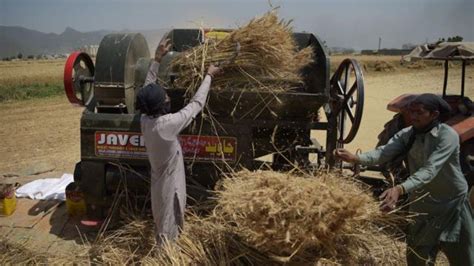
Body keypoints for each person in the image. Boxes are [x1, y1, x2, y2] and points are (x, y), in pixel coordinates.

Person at [335, 93, 474, 265]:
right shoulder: (408, 134)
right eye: (411, 111)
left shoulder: (447, 136)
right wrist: (356, 158)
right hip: (423, 205)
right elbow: (383, 152)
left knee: (463, 258)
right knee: (417, 258)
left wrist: (399, 188)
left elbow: (430, 170)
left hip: (452, 205)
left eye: (419, 112)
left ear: (434, 115)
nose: (412, 116)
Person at [136, 38, 222, 245]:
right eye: (165, 97)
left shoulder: (146, 119)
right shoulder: (167, 125)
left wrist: (157, 59)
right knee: (169, 223)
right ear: (160, 105)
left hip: (159, 179)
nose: (168, 98)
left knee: (164, 218)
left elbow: (148, 88)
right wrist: (209, 75)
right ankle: (167, 257)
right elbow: (196, 104)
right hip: (170, 183)